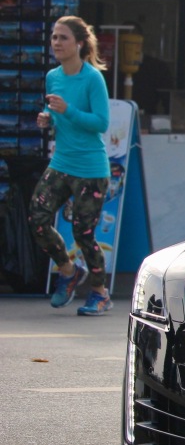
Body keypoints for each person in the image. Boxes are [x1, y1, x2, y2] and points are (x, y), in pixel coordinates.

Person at [28, 16, 113, 316]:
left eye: (63, 38)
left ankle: (100, 293)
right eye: (53, 37)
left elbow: (101, 123)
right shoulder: (53, 76)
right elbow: (53, 109)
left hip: (90, 169)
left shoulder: (92, 79)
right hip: (61, 162)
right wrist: (47, 117)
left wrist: (69, 110)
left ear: (78, 43)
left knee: (83, 233)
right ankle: (68, 270)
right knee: (37, 219)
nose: (56, 43)